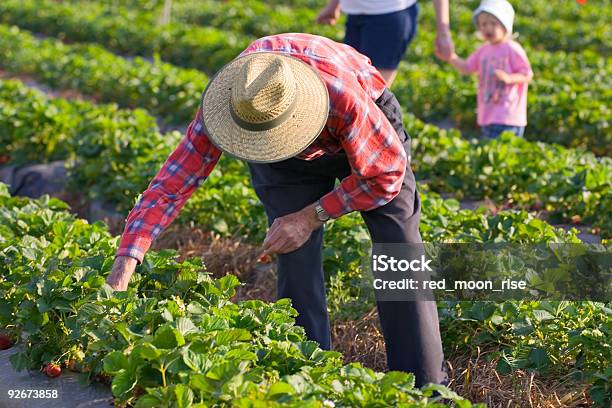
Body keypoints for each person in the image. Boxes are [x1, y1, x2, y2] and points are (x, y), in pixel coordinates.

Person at [106, 33, 447, 387]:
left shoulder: (342, 97)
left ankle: (427, 387)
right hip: (283, 164)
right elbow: (171, 185)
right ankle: (307, 381)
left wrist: (310, 216)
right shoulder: (233, 100)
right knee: (293, 249)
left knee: (400, 249)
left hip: (363, 130)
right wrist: (125, 262)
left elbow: (386, 174)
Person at [443, 0, 533, 139]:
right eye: (483, 24)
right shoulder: (483, 50)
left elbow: (527, 74)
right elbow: (467, 67)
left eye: (493, 23)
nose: (488, 28)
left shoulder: (512, 48)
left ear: (505, 26)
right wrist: (451, 57)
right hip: (487, 115)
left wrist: (509, 78)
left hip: (509, 116)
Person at [316, 0, 454, 84]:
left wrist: (443, 32)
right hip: (355, 15)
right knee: (351, 88)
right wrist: (334, 5)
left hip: (389, 16)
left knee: (371, 98)